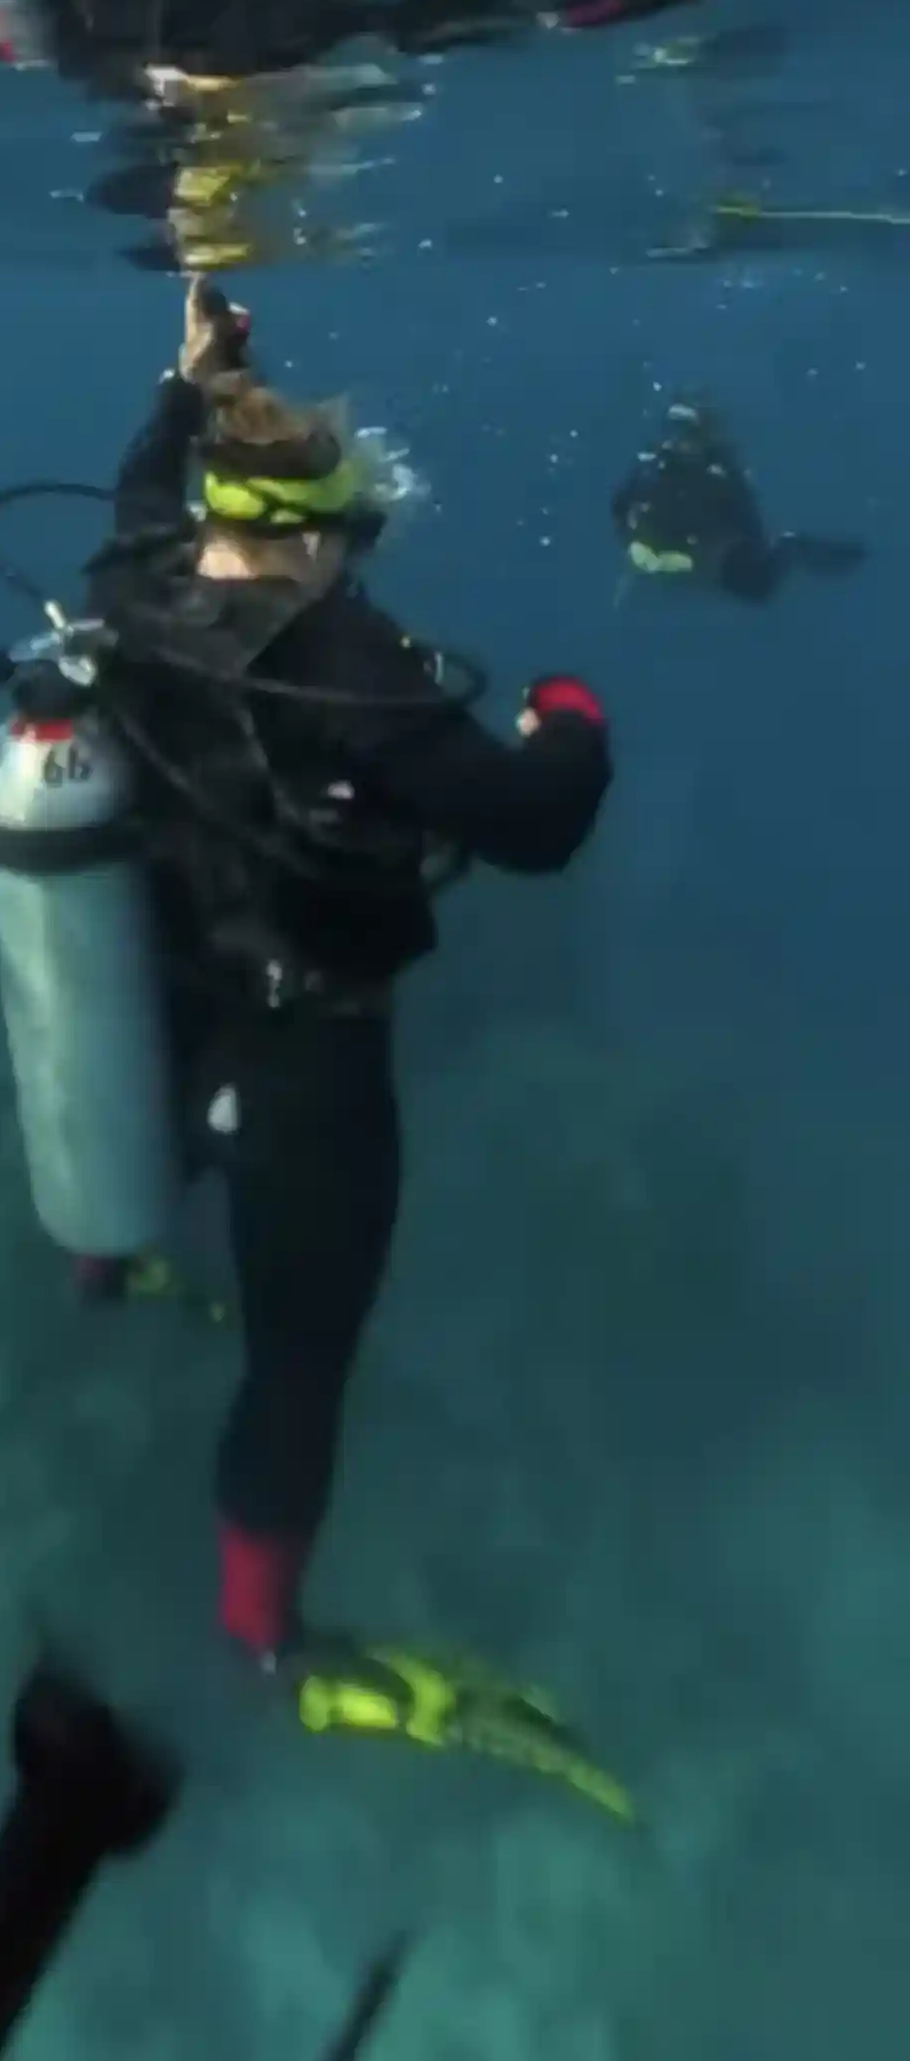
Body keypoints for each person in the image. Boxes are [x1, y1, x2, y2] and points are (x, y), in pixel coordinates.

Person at [83, 285, 624, 1805]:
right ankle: (269, 1645)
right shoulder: (346, 657)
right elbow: (532, 823)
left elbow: (138, 484)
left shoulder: (137, 579)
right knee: (301, 1360)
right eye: (352, 535)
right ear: (314, 536)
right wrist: (572, 714)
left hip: (164, 1005)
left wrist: (191, 383)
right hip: (307, 1064)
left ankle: (101, 1258)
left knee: (158, 1128)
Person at [614, 397, 865, 602]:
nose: (680, 441)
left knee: (759, 585)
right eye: (674, 431)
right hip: (665, 556)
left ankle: (798, 548)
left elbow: (751, 531)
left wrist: (722, 549)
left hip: (704, 558)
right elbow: (621, 506)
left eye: (689, 434)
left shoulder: (721, 479)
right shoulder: (650, 469)